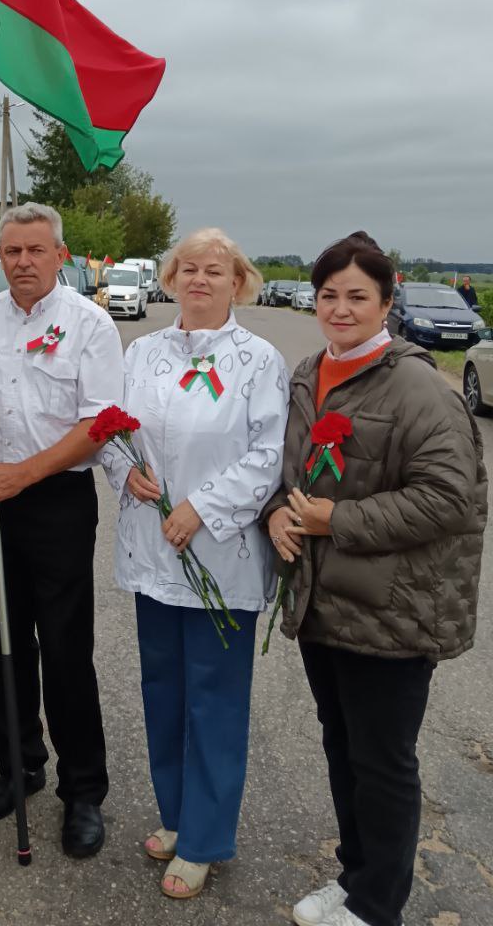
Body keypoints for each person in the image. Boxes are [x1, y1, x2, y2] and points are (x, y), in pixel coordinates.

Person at [263, 232, 487, 926]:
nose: (339, 308)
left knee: (383, 761)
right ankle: (356, 877)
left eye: (357, 295)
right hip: (323, 604)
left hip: (392, 611)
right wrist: (277, 513)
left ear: (387, 302)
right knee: (342, 744)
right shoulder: (308, 374)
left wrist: (339, 521)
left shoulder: (419, 387)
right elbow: (289, 471)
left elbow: (454, 499)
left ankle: (377, 905)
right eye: (329, 294)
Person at [101, 228, 288, 900]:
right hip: (153, 551)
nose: (201, 280)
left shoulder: (259, 360)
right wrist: (127, 473)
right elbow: (111, 430)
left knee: (213, 699)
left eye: (216, 271)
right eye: (189, 269)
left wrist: (202, 509)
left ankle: (207, 837)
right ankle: (177, 815)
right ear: (172, 277)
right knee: (163, 691)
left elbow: (268, 455)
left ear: (238, 282)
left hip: (219, 554)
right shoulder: (142, 351)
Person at [0, 203, 124, 859]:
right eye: (12, 251)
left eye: (35, 250)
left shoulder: (91, 325)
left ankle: (83, 791)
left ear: (58, 253)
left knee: (67, 648)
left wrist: (25, 473)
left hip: (55, 501)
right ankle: (19, 767)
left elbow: (98, 425)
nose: (22, 262)